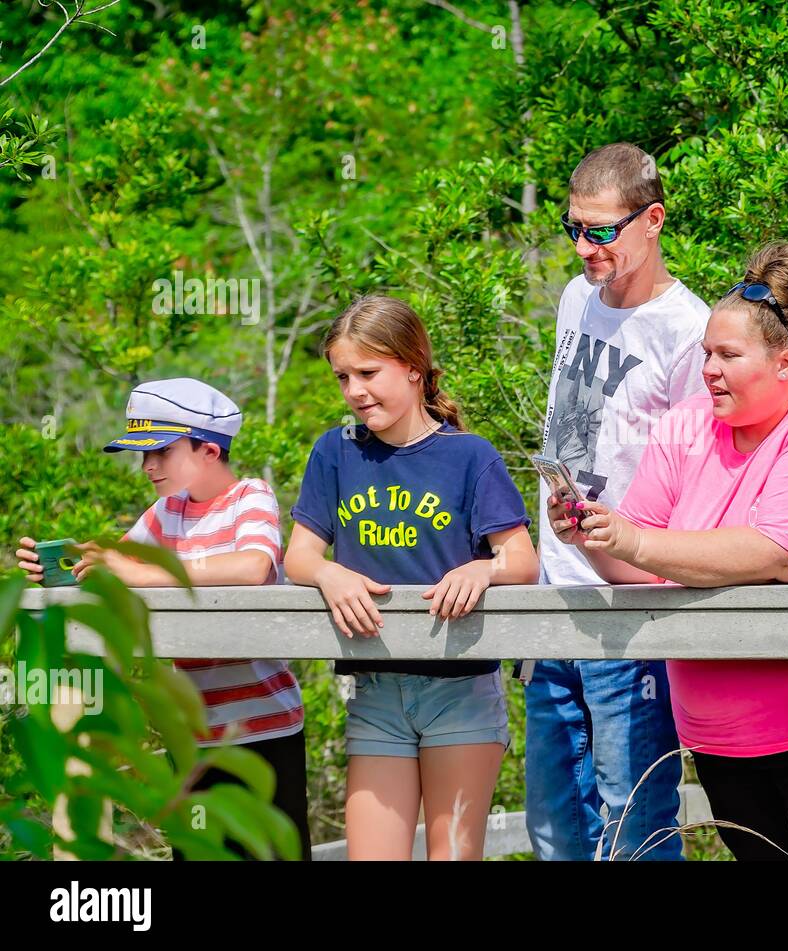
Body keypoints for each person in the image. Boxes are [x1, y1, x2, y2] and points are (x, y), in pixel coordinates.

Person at [548, 241, 788, 860]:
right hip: (722, 734)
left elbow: (783, 555)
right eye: (706, 353)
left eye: (728, 355)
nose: (709, 369)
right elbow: (641, 564)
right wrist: (594, 533)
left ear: (787, 363)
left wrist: (637, 539)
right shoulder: (685, 425)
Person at [284, 295, 537, 860]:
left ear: (413, 368)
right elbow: (297, 556)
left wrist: (482, 568)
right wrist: (330, 575)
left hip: (461, 688)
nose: (354, 391)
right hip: (375, 688)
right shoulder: (335, 452)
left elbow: (521, 560)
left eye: (368, 373)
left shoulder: (470, 456)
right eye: (342, 376)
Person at [16, 377, 310, 861]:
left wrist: (142, 572)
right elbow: (112, 564)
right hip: (193, 737)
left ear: (209, 450)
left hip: (264, 730)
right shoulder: (163, 514)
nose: (148, 466)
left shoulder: (249, 498)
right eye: (143, 454)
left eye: (162, 452)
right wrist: (61, 565)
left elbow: (253, 566)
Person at [526, 142, 710, 861]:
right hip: (555, 594)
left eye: (602, 231)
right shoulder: (576, 297)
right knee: (555, 825)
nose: (584, 247)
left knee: (632, 821)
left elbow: (699, 487)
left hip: (630, 610)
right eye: (573, 227)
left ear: (653, 219)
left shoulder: (689, 330)